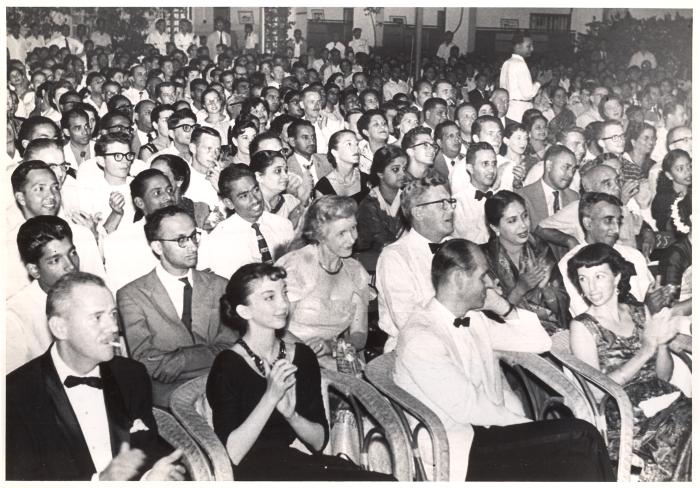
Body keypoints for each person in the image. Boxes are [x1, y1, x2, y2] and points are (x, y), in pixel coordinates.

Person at [394, 239, 614, 481]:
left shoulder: (473, 318)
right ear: (458, 279)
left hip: (487, 434)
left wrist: (502, 306)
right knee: (581, 436)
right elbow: (471, 408)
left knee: (579, 444)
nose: (490, 283)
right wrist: (528, 426)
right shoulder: (421, 337)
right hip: (458, 448)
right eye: (483, 275)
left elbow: (539, 342)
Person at [206, 263, 392, 480]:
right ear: (244, 310)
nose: (283, 304)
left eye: (284, 293)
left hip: (292, 464)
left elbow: (319, 442)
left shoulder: (301, 357)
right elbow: (232, 455)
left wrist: (292, 415)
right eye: (270, 297)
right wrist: (270, 397)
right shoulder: (228, 365)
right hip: (250, 473)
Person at [6, 272, 186, 481]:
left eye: (113, 314)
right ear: (60, 328)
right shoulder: (15, 396)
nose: (113, 328)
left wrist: (150, 478)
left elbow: (146, 449)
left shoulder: (131, 375)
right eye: (97, 317)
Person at [567, 243, 690, 481]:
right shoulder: (582, 326)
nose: (590, 287)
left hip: (664, 400)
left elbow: (662, 376)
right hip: (624, 413)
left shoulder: (637, 311)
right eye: (583, 279)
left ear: (617, 276)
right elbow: (596, 391)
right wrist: (645, 351)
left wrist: (662, 342)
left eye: (599, 276)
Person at [118, 206, 238, 407]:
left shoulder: (221, 286)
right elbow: (146, 361)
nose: (192, 246)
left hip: (225, 387)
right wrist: (207, 357)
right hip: (169, 399)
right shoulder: (131, 295)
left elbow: (231, 349)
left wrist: (183, 359)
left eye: (193, 236)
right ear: (157, 247)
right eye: (181, 240)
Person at [276, 196, 370, 368]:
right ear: (320, 235)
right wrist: (311, 354)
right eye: (342, 233)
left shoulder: (356, 272)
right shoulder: (294, 266)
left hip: (337, 355)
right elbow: (277, 329)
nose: (352, 239)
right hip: (291, 357)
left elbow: (359, 334)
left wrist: (332, 347)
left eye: (354, 228)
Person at [376, 169, 455, 351]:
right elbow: (409, 322)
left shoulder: (458, 247)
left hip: (460, 342)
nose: (450, 209)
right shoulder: (395, 257)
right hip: (412, 349)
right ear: (418, 212)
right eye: (442, 204)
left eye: (450, 202)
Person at [558, 192, 659, 317]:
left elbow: (649, 295)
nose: (616, 229)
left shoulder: (634, 256)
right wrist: (646, 308)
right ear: (588, 223)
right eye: (608, 221)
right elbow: (586, 317)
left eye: (618, 221)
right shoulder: (570, 264)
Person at [482, 191, 569, 335]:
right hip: (513, 337)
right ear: (495, 228)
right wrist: (520, 289)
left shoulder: (540, 248)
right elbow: (491, 320)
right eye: (512, 221)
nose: (523, 226)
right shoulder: (485, 258)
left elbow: (562, 306)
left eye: (525, 216)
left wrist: (546, 290)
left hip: (555, 332)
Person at [6, 216, 80, 372]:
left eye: (72, 253)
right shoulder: (13, 317)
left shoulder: (92, 294)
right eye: (55, 260)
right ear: (34, 270)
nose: (71, 266)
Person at [197, 164, 294, 279]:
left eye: (256, 190)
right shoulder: (217, 240)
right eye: (244, 196)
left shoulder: (283, 225)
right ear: (229, 203)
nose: (255, 200)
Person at [356, 145, 408, 273]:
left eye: (404, 169)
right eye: (395, 169)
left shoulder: (410, 199)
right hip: (378, 267)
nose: (402, 174)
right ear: (380, 174)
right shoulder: (368, 205)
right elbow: (381, 244)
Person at [452, 141, 498, 244]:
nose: (491, 170)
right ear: (470, 168)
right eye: (485, 164)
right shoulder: (458, 203)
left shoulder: (501, 198)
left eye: (494, 164)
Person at [499, 33, 552, 122]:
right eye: (528, 46)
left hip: (509, 110)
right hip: (520, 111)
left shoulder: (507, 62)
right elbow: (528, 94)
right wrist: (540, 82)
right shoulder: (520, 64)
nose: (532, 49)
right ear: (518, 46)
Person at [150, 153, 211, 229]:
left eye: (162, 176)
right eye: (151, 175)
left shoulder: (200, 211)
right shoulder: (146, 211)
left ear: (179, 181)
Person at [286, 119, 334, 205]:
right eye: (305, 137)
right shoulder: (286, 168)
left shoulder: (327, 161)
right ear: (292, 142)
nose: (312, 142)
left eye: (313, 137)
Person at [315, 130, 369, 203]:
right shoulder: (323, 187)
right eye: (349, 144)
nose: (356, 148)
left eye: (356, 144)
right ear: (335, 153)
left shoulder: (367, 180)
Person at [250, 150, 303, 226]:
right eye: (278, 171)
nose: (285, 176)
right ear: (259, 176)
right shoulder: (252, 208)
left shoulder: (291, 202)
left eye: (285, 170)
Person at [651, 149, 691, 233]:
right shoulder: (663, 200)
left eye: (690, 166)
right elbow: (666, 228)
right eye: (680, 169)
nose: (688, 172)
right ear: (669, 175)